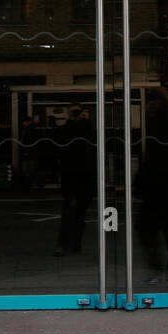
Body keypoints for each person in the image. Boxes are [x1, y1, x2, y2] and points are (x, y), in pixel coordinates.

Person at [138, 87, 168, 282]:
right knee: (166, 227)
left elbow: (161, 157)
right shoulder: (155, 122)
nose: (151, 103)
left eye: (155, 99)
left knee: (165, 227)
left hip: (165, 184)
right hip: (161, 184)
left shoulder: (164, 123)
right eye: (150, 99)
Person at [54, 103, 96, 255]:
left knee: (74, 212)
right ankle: (71, 244)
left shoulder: (83, 129)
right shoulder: (81, 129)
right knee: (74, 212)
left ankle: (68, 244)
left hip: (78, 174)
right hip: (77, 174)